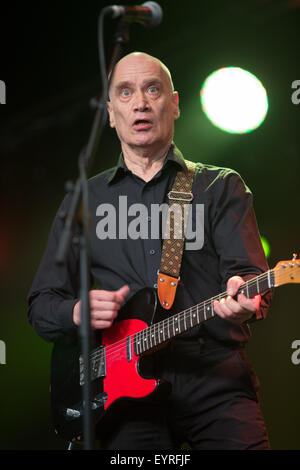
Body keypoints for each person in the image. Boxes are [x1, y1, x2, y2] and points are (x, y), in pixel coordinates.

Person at [28, 52, 272, 450]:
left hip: (213, 379)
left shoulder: (219, 187)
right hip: (120, 394)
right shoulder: (84, 200)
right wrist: (76, 311)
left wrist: (246, 297)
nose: (140, 102)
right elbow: (41, 305)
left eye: (152, 89)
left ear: (174, 104)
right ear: (110, 113)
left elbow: (249, 279)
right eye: (125, 92)